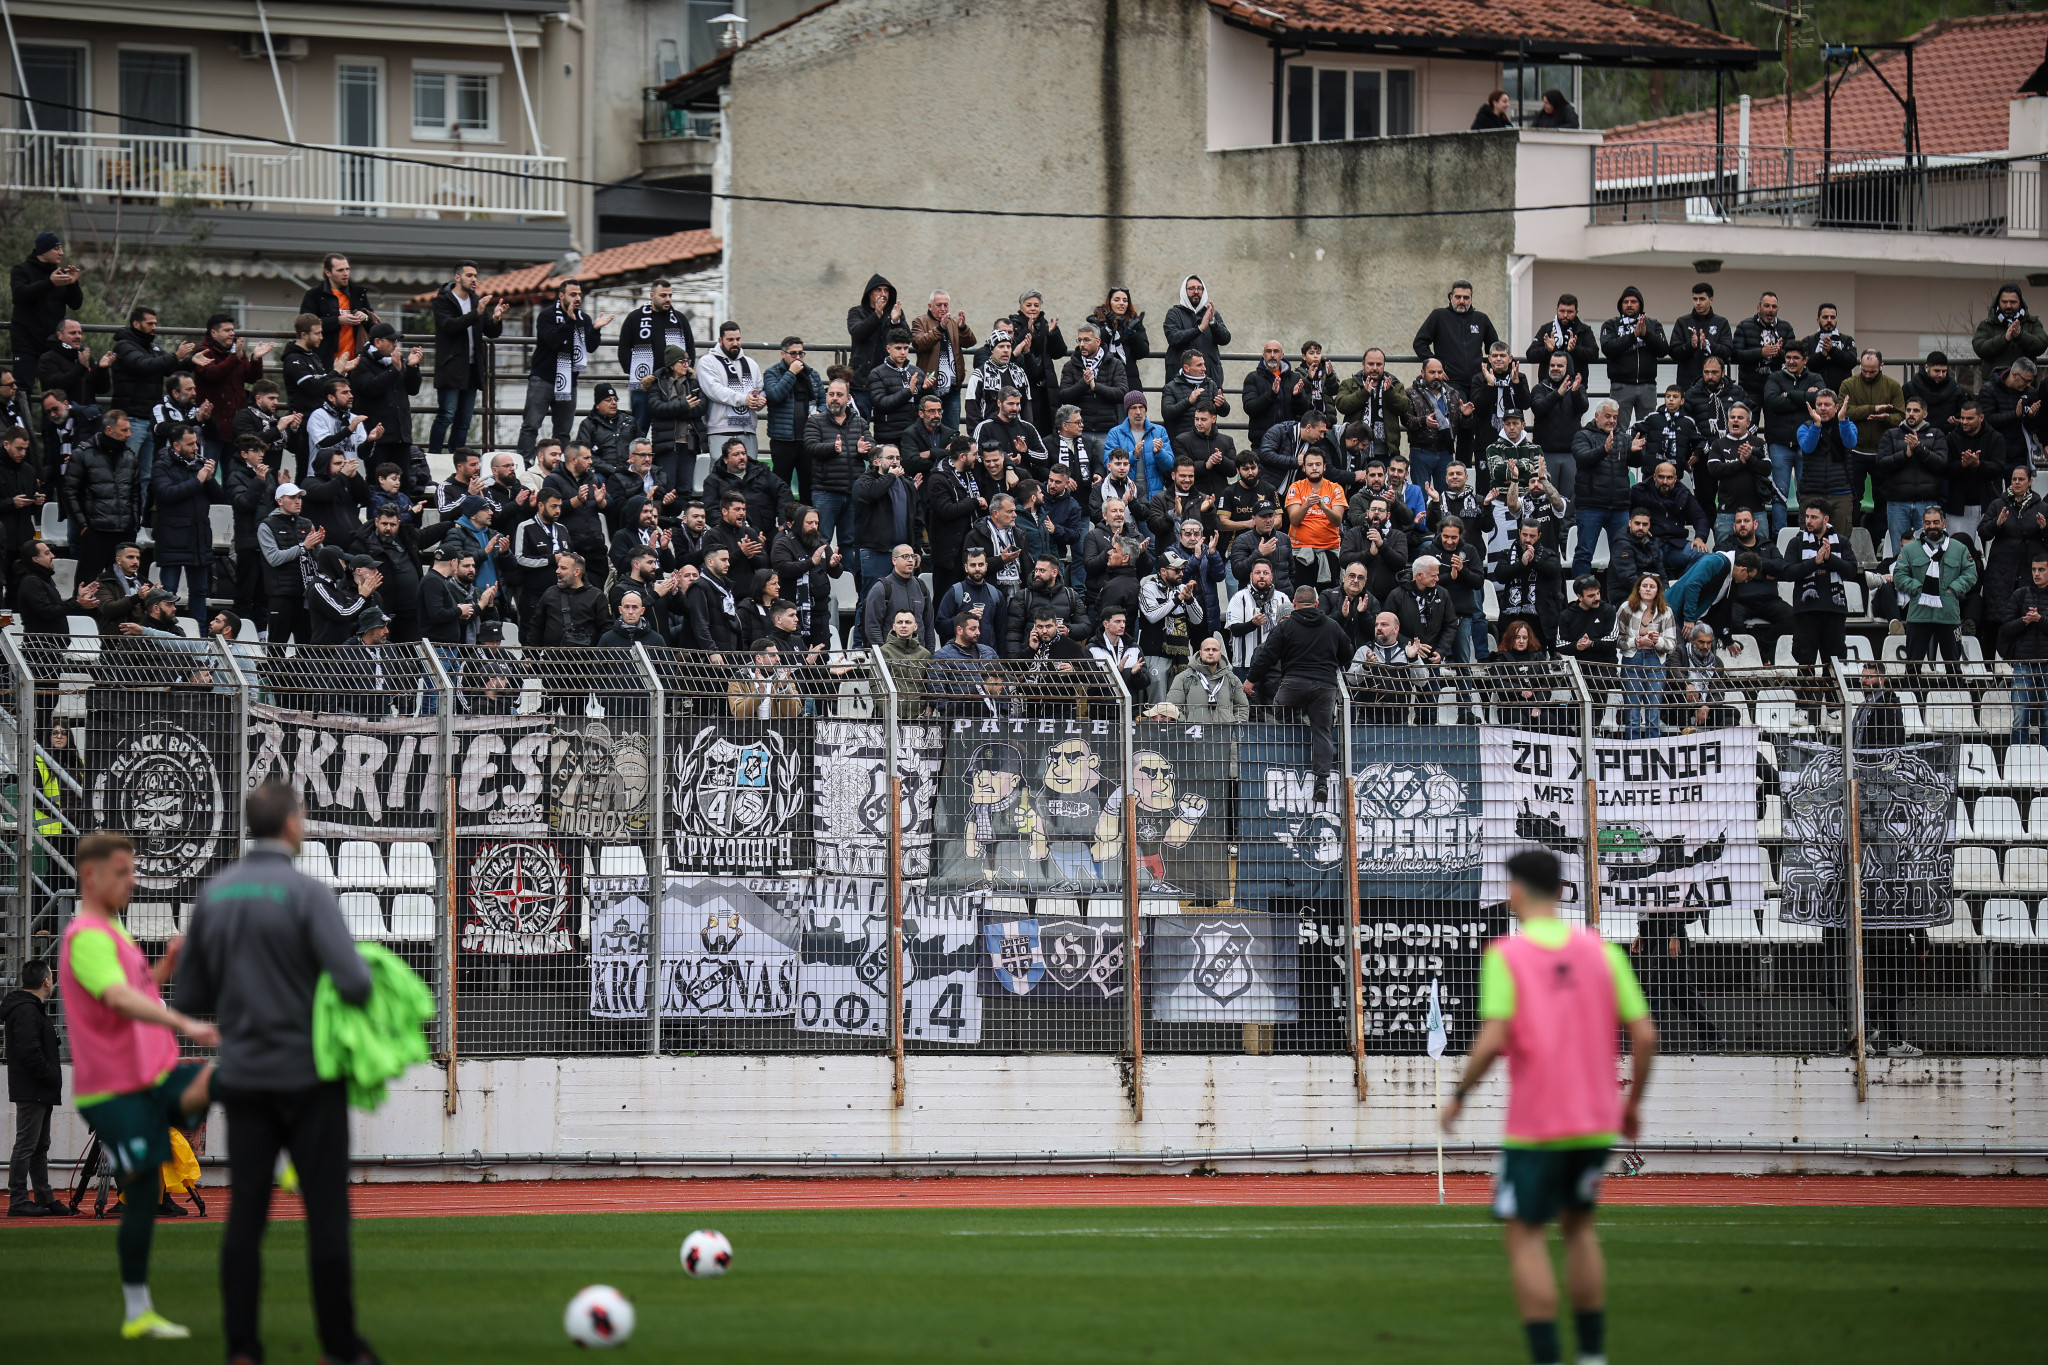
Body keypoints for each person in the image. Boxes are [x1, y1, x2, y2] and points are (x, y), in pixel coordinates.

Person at [174, 782, 375, 1362]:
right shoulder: (309, 893)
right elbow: (355, 983)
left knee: (247, 1215)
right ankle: (339, 1346)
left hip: (245, 1076)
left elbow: (191, 995)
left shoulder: (214, 895)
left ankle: (242, 1347)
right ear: (290, 824)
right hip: (310, 1077)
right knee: (327, 1215)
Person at [1441, 847, 1656, 1365]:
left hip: (1536, 1125)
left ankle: (1546, 1359)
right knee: (1580, 1230)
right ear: (1562, 891)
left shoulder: (1506, 956)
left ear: (1514, 891)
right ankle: (1591, 1356)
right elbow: (1645, 1036)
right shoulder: (1602, 952)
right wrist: (1631, 1104)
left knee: (1527, 1236)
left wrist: (1460, 1094)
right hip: (1595, 1122)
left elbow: (1493, 1040)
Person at [58, 832, 220, 1339]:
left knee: (147, 1187)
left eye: (133, 870)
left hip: (148, 1078)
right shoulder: (86, 936)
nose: (133, 880)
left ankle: (138, 1314)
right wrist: (186, 1023)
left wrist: (166, 967)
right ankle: (138, 1312)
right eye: (123, 871)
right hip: (114, 1091)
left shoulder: (113, 932)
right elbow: (119, 1000)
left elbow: (135, 988)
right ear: (91, 876)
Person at [1245, 583, 1352, 797]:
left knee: (1279, 709)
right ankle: (1321, 781)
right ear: (1317, 604)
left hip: (1294, 683)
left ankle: (1295, 727)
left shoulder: (1286, 627)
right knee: (1322, 730)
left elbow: (1266, 655)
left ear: (1294, 604)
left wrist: (1250, 680)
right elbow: (1348, 653)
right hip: (1325, 686)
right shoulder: (1332, 626)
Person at [518, 280, 609, 461]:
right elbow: (554, 341)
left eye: (579, 294)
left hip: (569, 381)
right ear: (561, 296)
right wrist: (568, 320)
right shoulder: (547, 316)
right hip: (543, 379)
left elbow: (590, 347)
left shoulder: (584, 318)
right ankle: (523, 463)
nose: (577, 298)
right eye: (572, 294)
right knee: (531, 425)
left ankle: (560, 466)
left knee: (563, 431)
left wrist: (596, 329)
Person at [5, 958, 68, 1217]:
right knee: (27, 1145)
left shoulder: (29, 1008)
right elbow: (29, 1051)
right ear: (46, 981)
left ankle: (43, 1196)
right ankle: (19, 1199)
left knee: (39, 1145)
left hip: (38, 1087)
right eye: (51, 977)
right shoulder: (28, 1011)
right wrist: (51, 1075)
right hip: (34, 1087)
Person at [149, 422, 226, 621]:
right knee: (168, 595)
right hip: (172, 539)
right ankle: (166, 636)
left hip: (199, 539)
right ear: (176, 446)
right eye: (191, 444)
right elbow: (166, 494)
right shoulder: (161, 466)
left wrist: (210, 479)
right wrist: (198, 480)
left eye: (197, 443)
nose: (196, 448)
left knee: (200, 593)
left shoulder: (199, 465)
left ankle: (199, 638)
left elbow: (219, 498)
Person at [1886, 506, 1977, 665]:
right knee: (1913, 666)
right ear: (1922, 524)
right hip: (1919, 615)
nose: (1932, 526)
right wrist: (1917, 589)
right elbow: (1899, 575)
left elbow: (1971, 574)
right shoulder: (1910, 550)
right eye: (1928, 523)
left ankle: (1955, 691)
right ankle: (1914, 691)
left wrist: (1954, 588)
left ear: (1944, 523)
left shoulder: (1959, 549)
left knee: (1953, 667)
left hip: (1948, 615)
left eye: (1936, 522)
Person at [65, 408, 143, 588]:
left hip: (124, 531)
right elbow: (69, 492)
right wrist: (83, 525)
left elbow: (136, 493)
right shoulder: (82, 454)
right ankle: (82, 615)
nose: (129, 434)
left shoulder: (130, 456)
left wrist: (134, 523)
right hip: (95, 531)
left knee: (124, 587)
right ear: (109, 430)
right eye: (124, 430)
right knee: (87, 584)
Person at [1979, 465, 2048, 658]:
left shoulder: (2042, 507)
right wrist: (1997, 523)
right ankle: (1990, 668)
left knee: (2025, 619)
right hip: (2001, 573)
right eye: (2014, 479)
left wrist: (2044, 528)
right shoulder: (1997, 504)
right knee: (1995, 619)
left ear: (2030, 482)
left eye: (2021, 479)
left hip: (2029, 572)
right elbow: (1982, 532)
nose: (2017, 483)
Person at [617, 278, 696, 435]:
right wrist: (634, 373)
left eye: (670, 295)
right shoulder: (635, 318)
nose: (668, 299)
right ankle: (637, 458)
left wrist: (686, 371)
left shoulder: (679, 319)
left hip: (673, 383)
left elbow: (690, 347)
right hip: (645, 383)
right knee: (640, 427)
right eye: (663, 295)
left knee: (671, 428)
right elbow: (624, 348)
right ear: (652, 295)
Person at [764, 335, 828, 498]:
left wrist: (819, 413)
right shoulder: (772, 373)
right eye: (793, 353)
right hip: (783, 439)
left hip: (808, 439)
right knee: (781, 484)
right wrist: (791, 373)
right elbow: (775, 395)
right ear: (782, 354)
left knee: (808, 484)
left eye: (801, 353)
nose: (798, 357)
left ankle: (807, 520)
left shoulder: (812, 374)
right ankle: (782, 520)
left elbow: (822, 400)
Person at [1613, 573, 1674, 739]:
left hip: (1656, 661)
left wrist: (1656, 641)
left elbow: (1671, 644)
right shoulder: (1626, 608)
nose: (1648, 589)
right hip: (1633, 659)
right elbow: (1617, 639)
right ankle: (1632, 750)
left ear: (1657, 591)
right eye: (1645, 586)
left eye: (1652, 586)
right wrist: (1637, 641)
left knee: (1653, 711)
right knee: (1632, 711)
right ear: (1638, 589)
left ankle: (1652, 748)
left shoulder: (1666, 612)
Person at [698, 321, 767, 464]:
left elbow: (760, 389)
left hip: (748, 429)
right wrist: (744, 399)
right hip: (720, 429)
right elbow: (714, 390)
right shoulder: (707, 361)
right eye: (730, 340)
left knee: (750, 474)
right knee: (721, 476)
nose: (735, 343)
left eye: (738, 339)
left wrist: (759, 400)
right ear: (720, 340)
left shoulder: (751, 363)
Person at [1599, 286, 1666, 431]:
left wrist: (1646, 335)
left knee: (1648, 429)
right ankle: (1620, 454)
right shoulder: (1611, 325)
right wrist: (1633, 336)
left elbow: (1663, 349)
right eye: (1626, 302)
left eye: (1633, 301)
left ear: (1640, 304)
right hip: (1621, 386)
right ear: (1620, 305)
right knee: (1617, 429)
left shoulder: (1653, 324)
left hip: (1647, 386)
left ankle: (1644, 454)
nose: (1629, 305)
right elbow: (1608, 348)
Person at [2002, 552, 2048, 745]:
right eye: (2034, 569)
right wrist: (2025, 621)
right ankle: (2018, 759)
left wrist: (2041, 620)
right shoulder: (2020, 594)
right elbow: (2005, 628)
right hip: (2023, 663)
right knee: (2020, 716)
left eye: (2042, 570)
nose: (2036, 573)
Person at [1666, 280, 1733, 394]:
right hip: (1687, 384)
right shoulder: (1682, 322)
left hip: (1714, 384)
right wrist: (1690, 346)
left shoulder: (1721, 322)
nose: (1698, 303)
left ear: (1711, 300)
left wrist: (1709, 345)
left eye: (1702, 299)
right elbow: (1673, 352)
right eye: (1695, 299)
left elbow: (1728, 351)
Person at [1162, 275, 1230, 381]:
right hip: (1181, 380)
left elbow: (1225, 339)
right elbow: (1173, 337)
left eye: (1199, 288)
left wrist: (1212, 323)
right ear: (1185, 291)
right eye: (1192, 288)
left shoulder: (1211, 314)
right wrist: (1199, 329)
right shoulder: (1174, 314)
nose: (1196, 292)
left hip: (1209, 378)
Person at [1971, 281, 2048, 373]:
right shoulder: (1987, 324)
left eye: (2013, 302)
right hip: (1995, 384)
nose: (2008, 306)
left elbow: (2041, 345)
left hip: (2025, 383)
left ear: (2020, 303)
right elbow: (1980, 349)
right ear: (1998, 302)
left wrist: (2021, 336)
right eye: (2004, 302)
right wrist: (2004, 339)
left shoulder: (2032, 323)